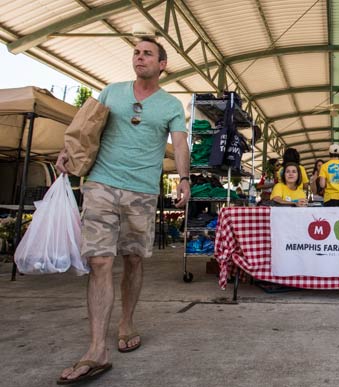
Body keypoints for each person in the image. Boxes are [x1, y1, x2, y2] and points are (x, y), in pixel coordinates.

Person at [55, 38, 190, 384]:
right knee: (99, 260)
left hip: (142, 191)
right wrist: (68, 152)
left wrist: (185, 179)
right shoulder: (110, 92)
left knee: (132, 259)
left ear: (162, 65)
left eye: (148, 53)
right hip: (101, 183)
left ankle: (127, 321)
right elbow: (85, 127)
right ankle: (97, 348)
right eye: (136, 52)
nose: (140, 57)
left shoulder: (171, 105)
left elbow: (179, 143)